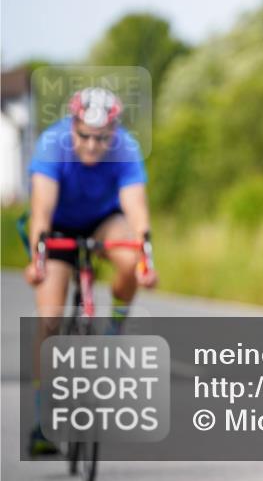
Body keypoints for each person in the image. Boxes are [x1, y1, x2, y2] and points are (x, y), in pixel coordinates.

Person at [22, 87, 158, 456]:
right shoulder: (52, 144)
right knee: (49, 317)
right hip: (60, 227)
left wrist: (147, 258)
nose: (94, 146)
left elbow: (136, 208)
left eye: (102, 138)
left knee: (129, 260)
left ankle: (115, 323)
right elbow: (41, 212)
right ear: (73, 126)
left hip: (102, 221)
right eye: (85, 136)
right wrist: (38, 260)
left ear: (114, 131)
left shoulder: (126, 148)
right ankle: (42, 419)